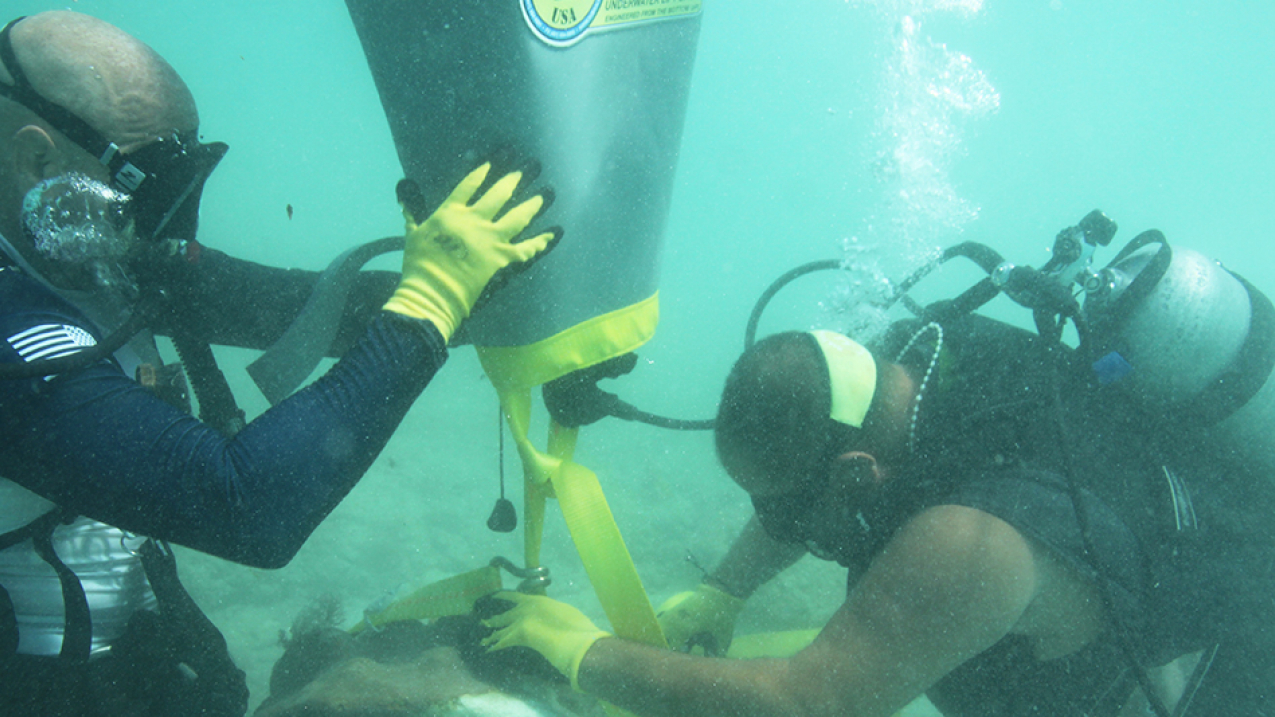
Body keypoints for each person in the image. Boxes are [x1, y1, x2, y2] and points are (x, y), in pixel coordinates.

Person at [0, 10, 558, 716]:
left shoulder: (93, 247)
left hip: (137, 666)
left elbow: (299, 309)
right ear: (39, 160)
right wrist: (433, 299)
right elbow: (245, 506)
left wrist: (505, 293)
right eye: (151, 189)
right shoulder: (14, 333)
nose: (173, 225)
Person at [483, 306, 1275, 715]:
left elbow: (806, 703)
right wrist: (725, 589)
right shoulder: (911, 356)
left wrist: (583, 651)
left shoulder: (975, 540)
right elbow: (804, 471)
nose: (780, 527)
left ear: (859, 473)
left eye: (788, 515)